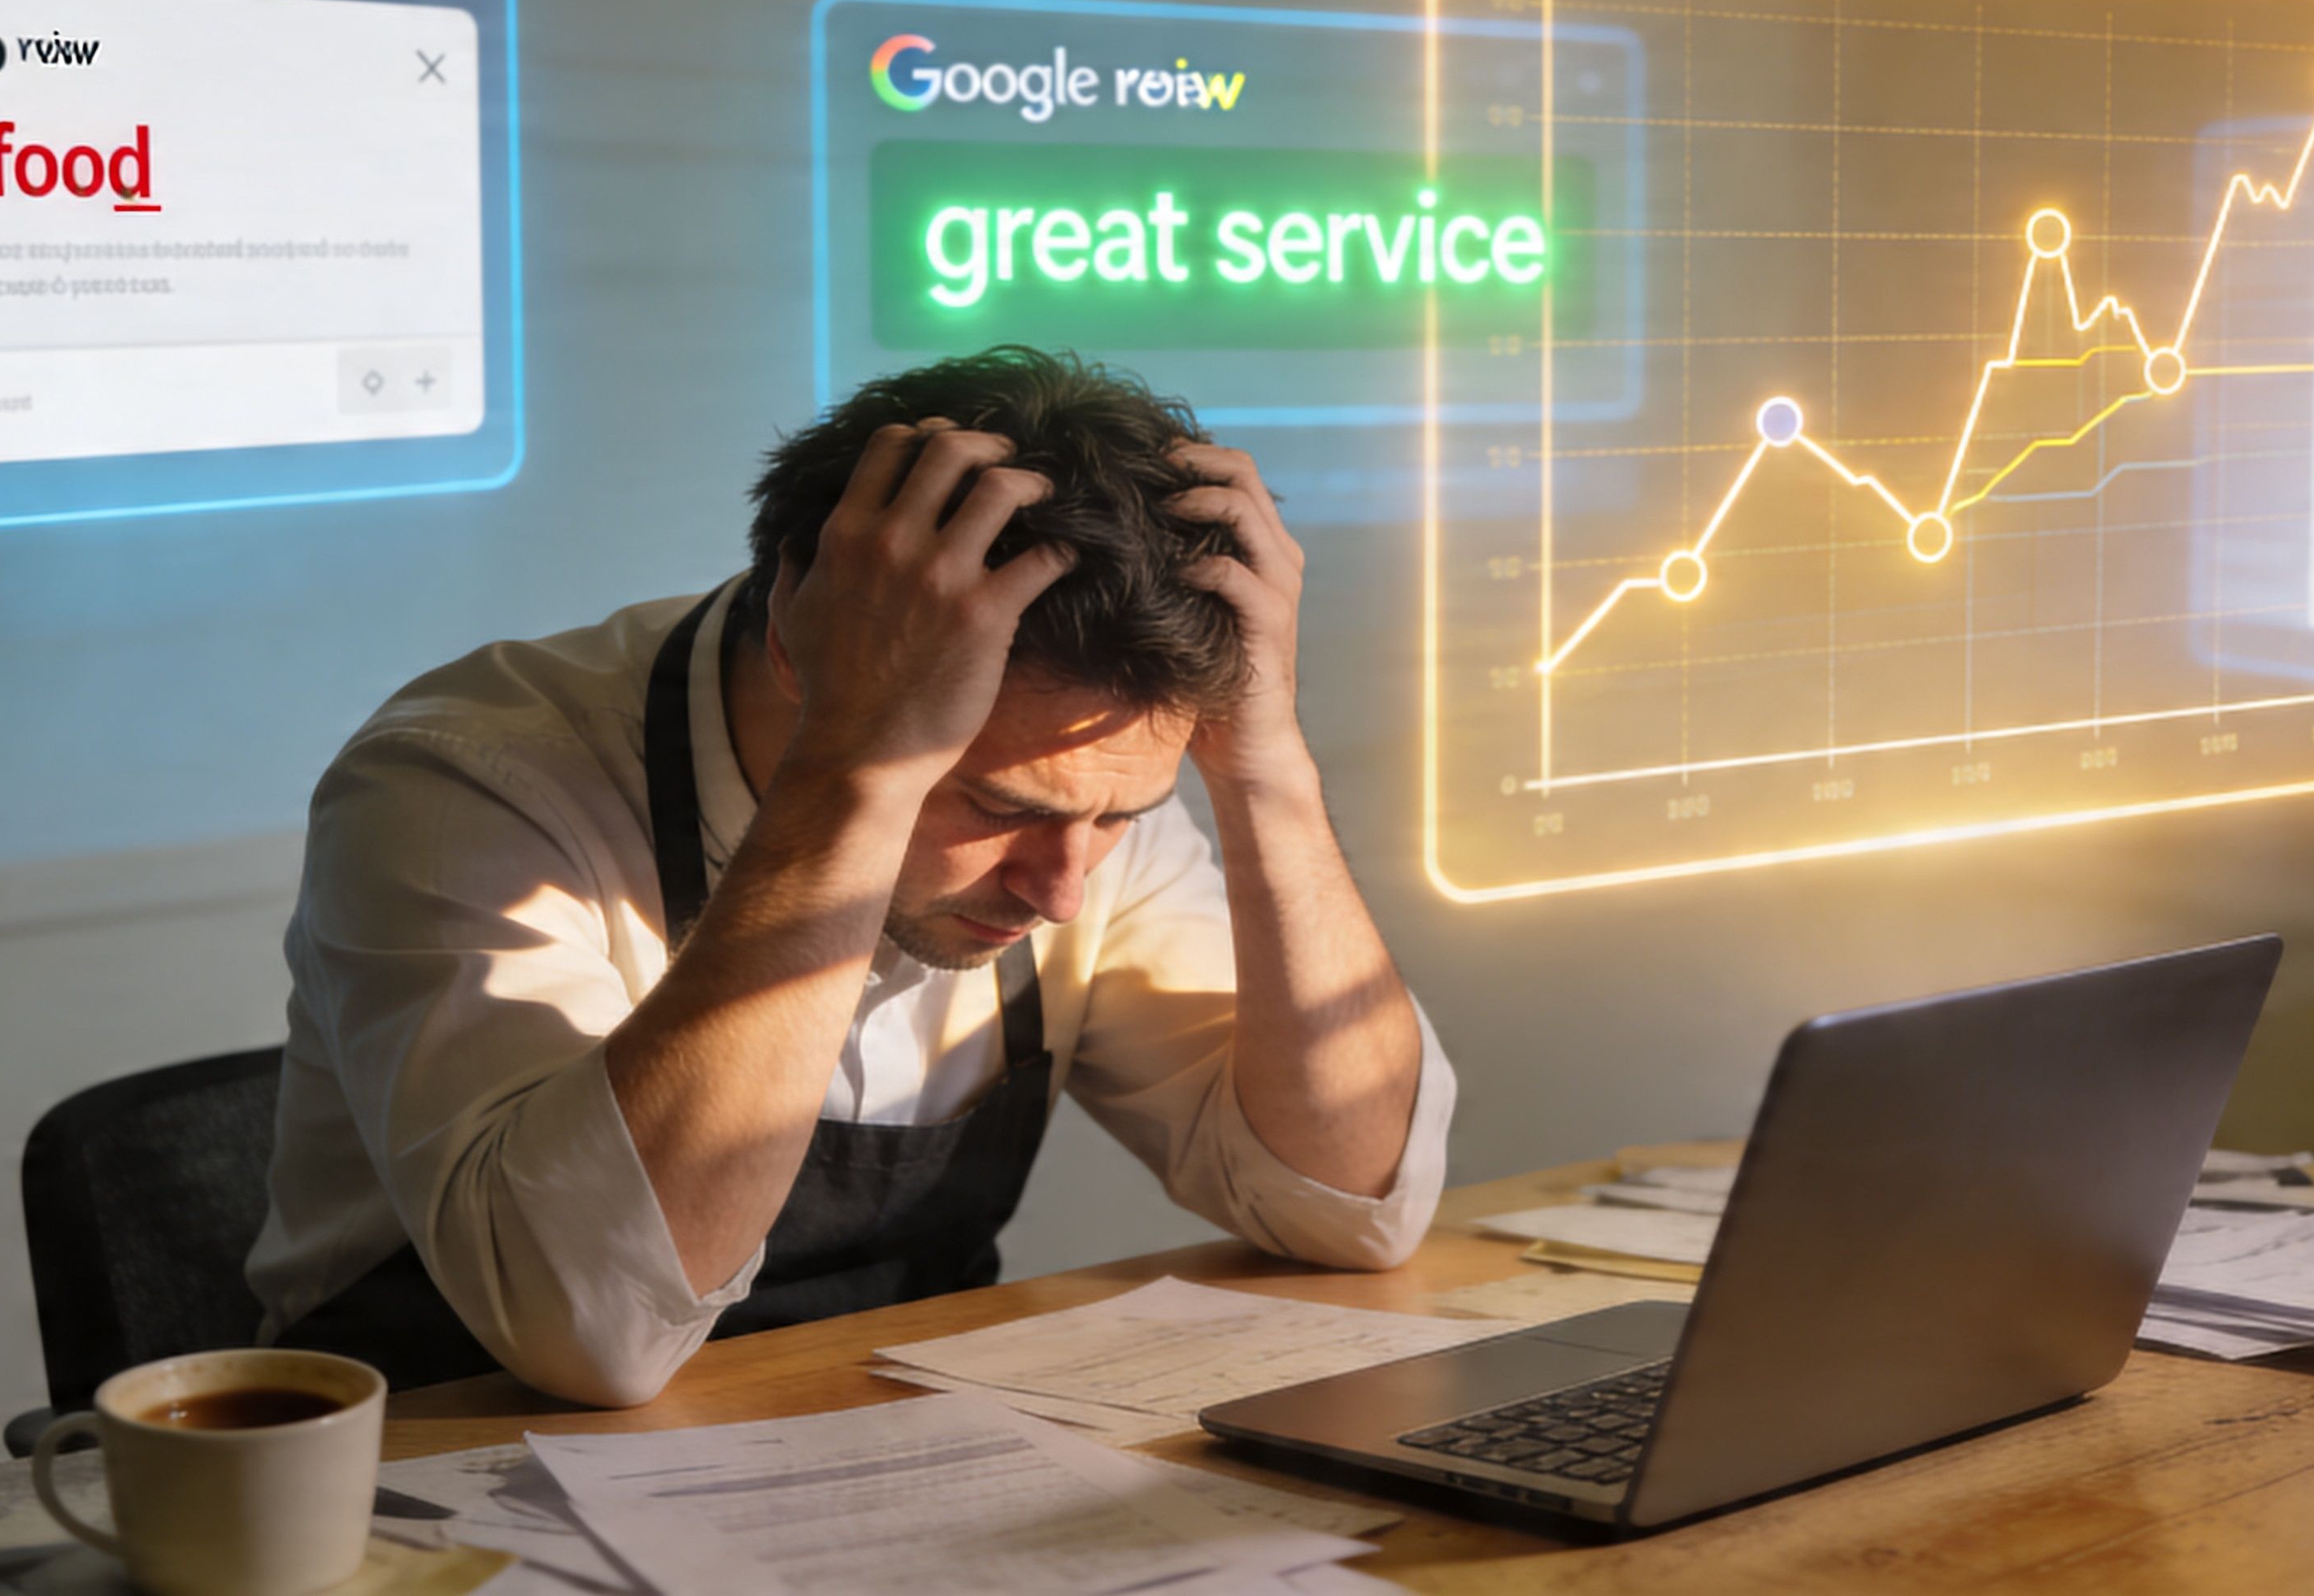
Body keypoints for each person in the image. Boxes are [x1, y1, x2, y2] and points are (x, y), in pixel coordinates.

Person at [245, 346, 1453, 1405]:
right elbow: (595, 1334)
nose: (1061, 891)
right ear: (799, 647)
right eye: (991, 806)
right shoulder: (468, 783)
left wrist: (1268, 769)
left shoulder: (1078, 800)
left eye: (1122, 820)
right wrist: (856, 771)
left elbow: (1350, 1205)